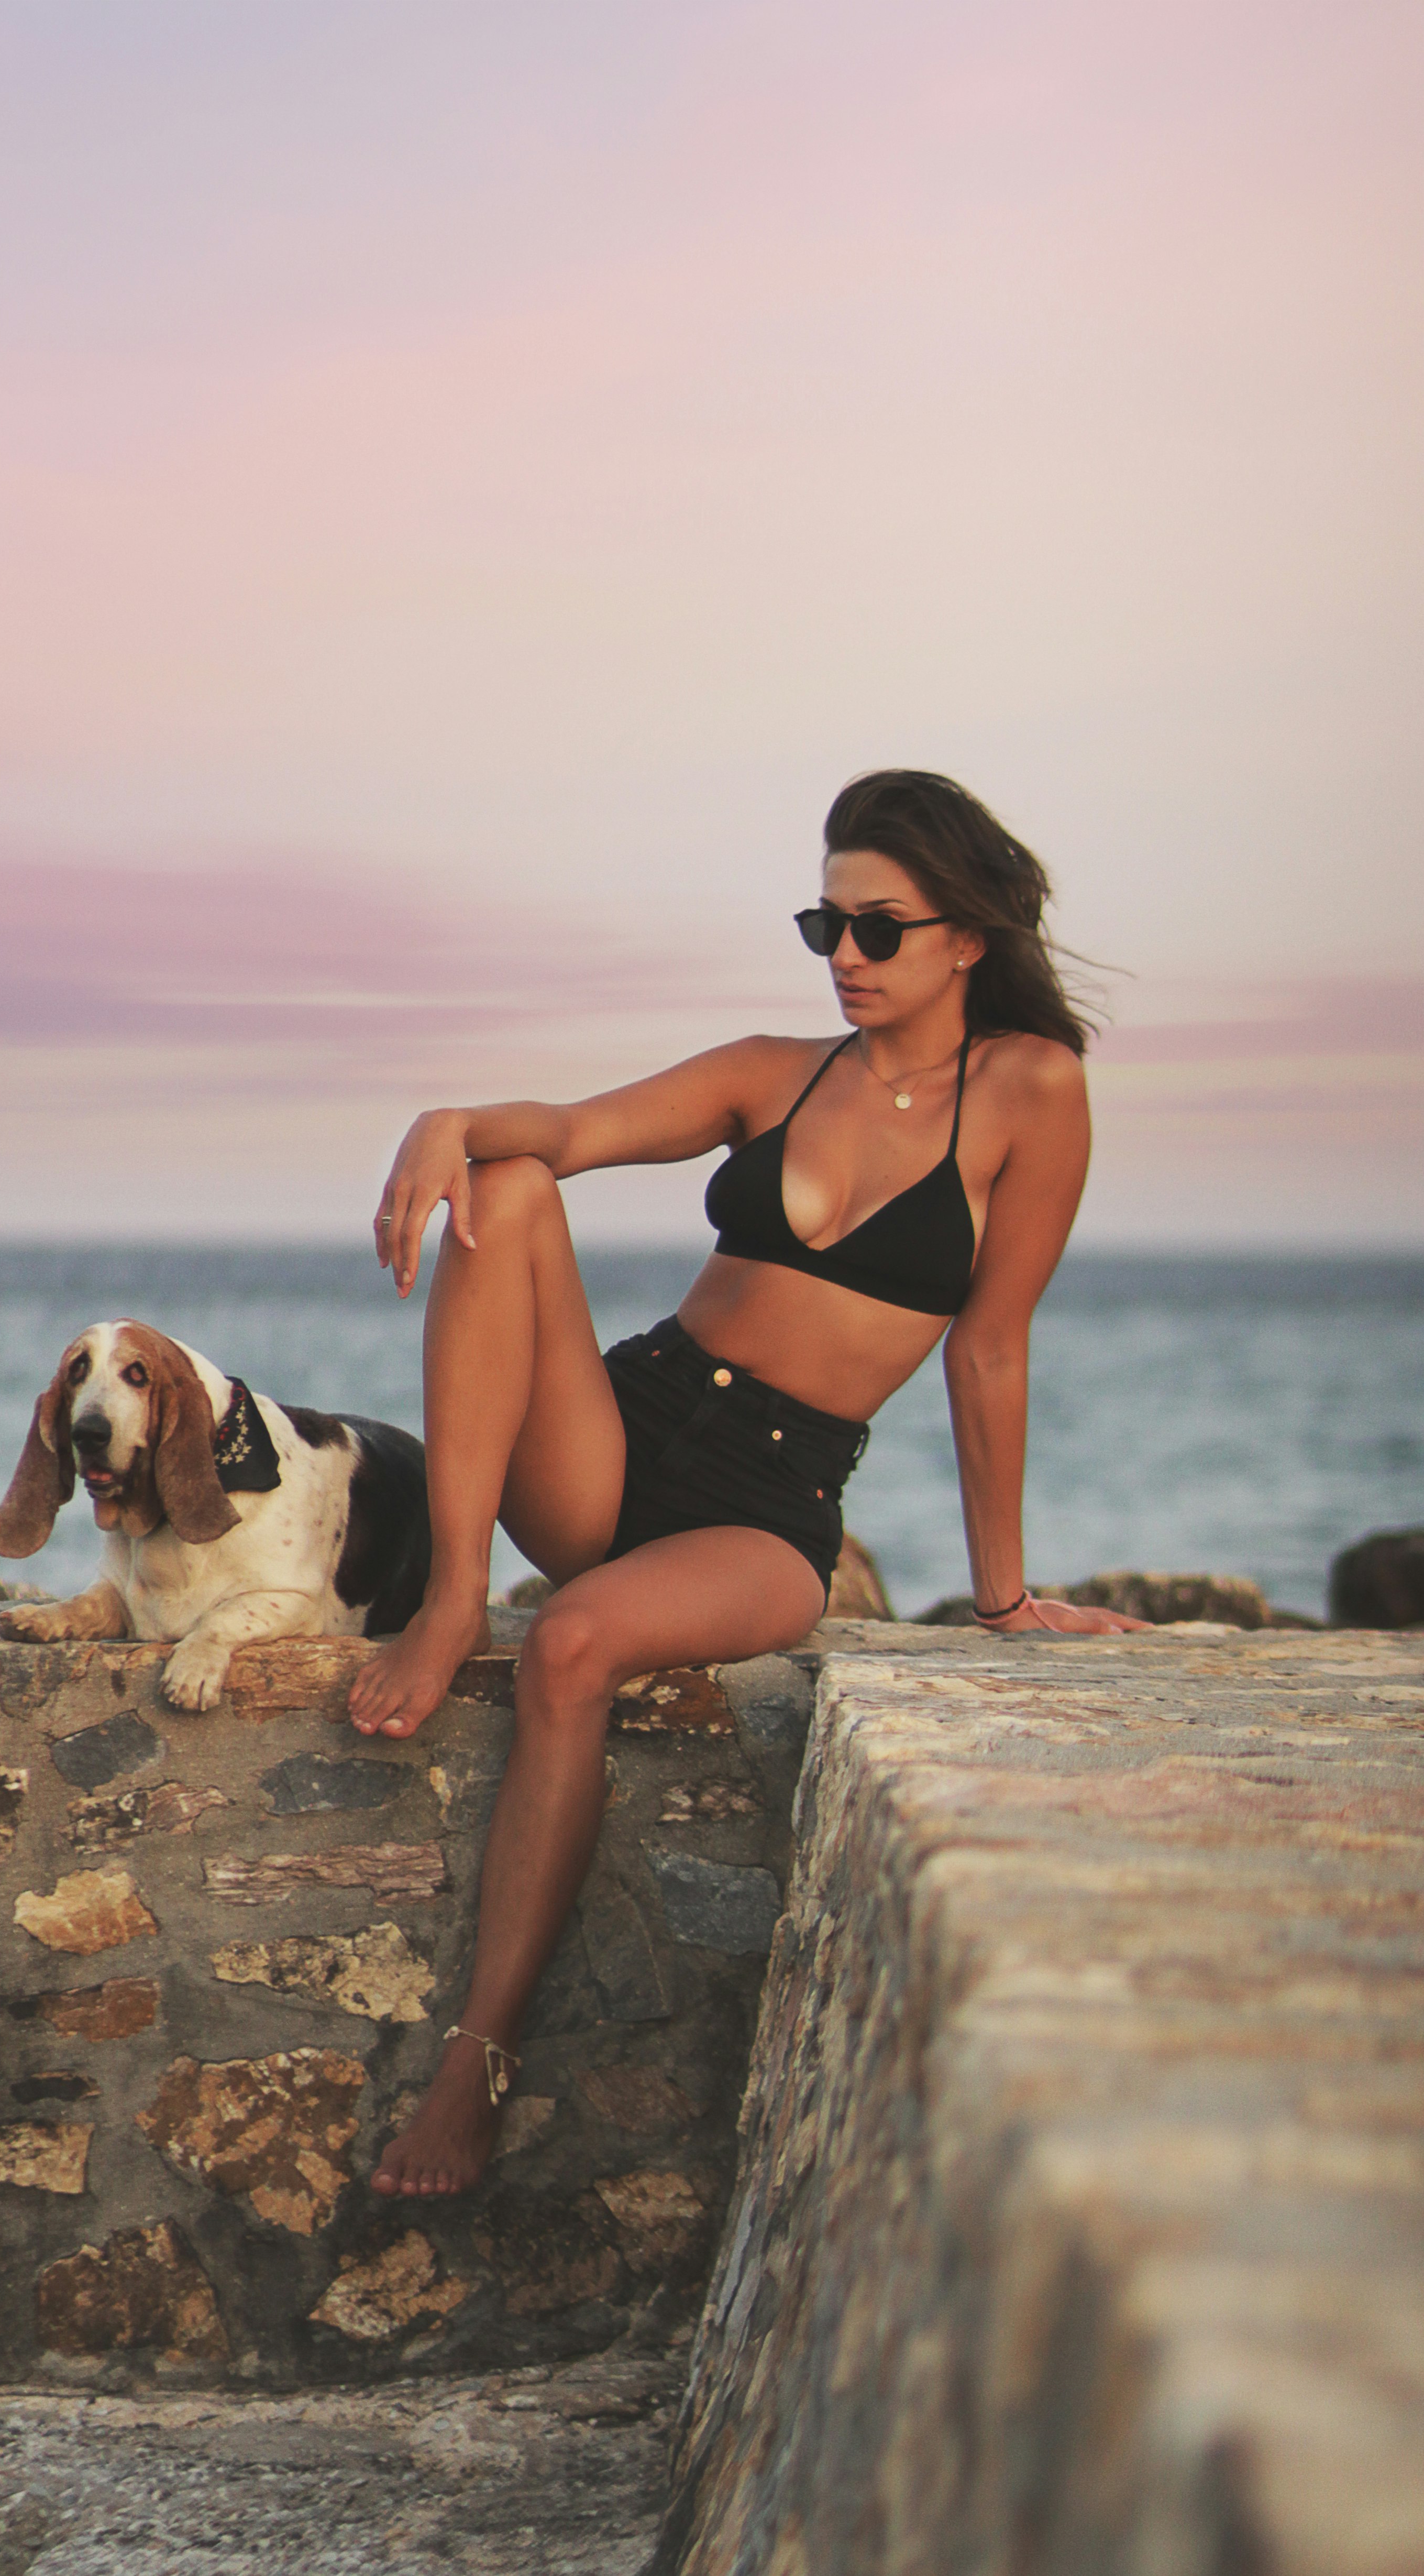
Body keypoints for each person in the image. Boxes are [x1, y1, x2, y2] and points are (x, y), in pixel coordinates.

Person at [346, 768, 1144, 2196]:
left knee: (578, 1645)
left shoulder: (1033, 1093)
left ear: (967, 935)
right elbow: (567, 1132)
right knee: (514, 1189)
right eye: (822, 925)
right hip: (622, 1430)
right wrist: (445, 1121)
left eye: (876, 929)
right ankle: (461, 1588)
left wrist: (1007, 1596)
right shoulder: (774, 1073)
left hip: (771, 1507)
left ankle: (476, 2062)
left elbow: (992, 1353)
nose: (843, 956)